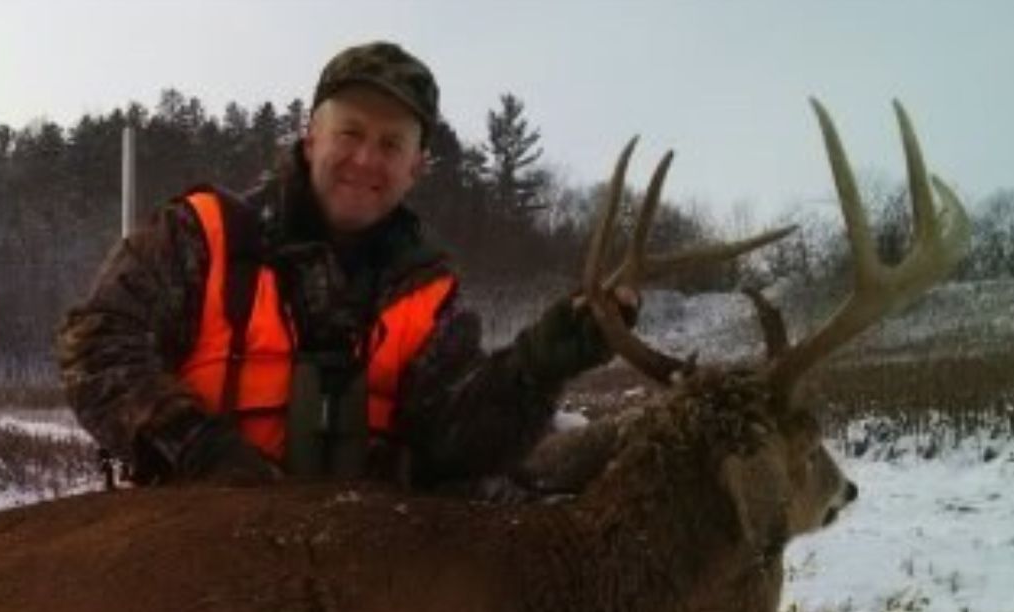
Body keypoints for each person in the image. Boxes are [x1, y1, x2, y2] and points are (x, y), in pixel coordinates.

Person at [57, 40, 633, 489]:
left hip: (361, 573)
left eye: (391, 144)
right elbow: (98, 346)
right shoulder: (202, 236)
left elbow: (454, 443)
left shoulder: (429, 300)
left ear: (417, 168)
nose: (365, 159)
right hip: (190, 545)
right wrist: (200, 450)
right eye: (350, 133)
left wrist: (534, 368)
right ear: (311, 139)